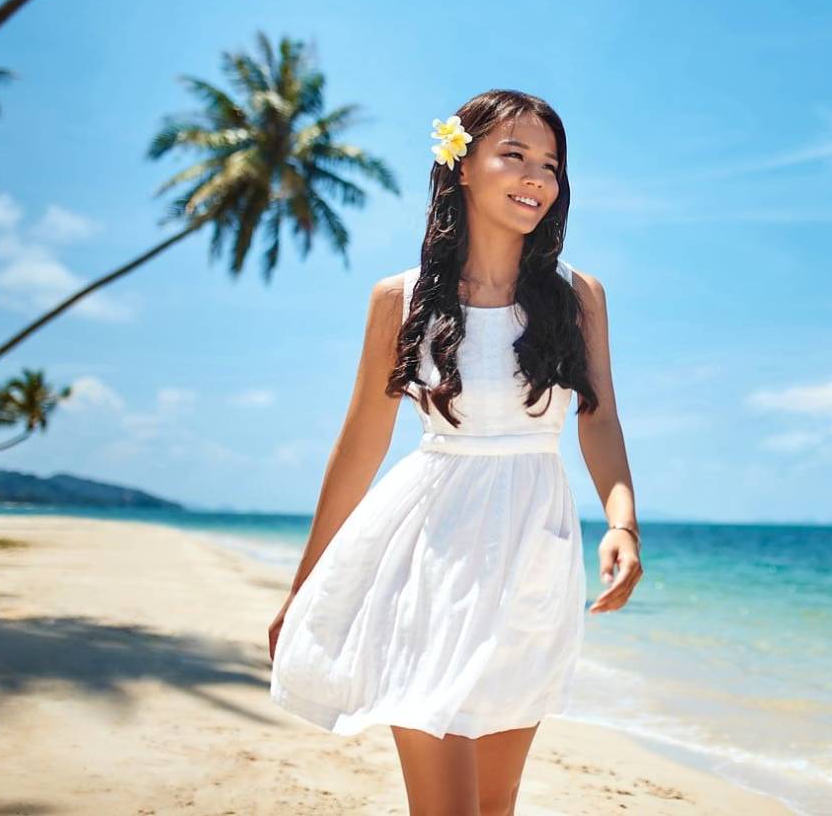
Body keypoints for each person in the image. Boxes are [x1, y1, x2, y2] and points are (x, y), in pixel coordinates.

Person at [266, 89, 643, 816]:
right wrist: (302, 583)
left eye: (551, 163)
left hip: (535, 553)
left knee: (495, 806)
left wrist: (622, 523)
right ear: (461, 167)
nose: (537, 175)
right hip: (429, 559)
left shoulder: (578, 296)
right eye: (514, 154)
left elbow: (599, 421)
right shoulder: (399, 300)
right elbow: (360, 446)